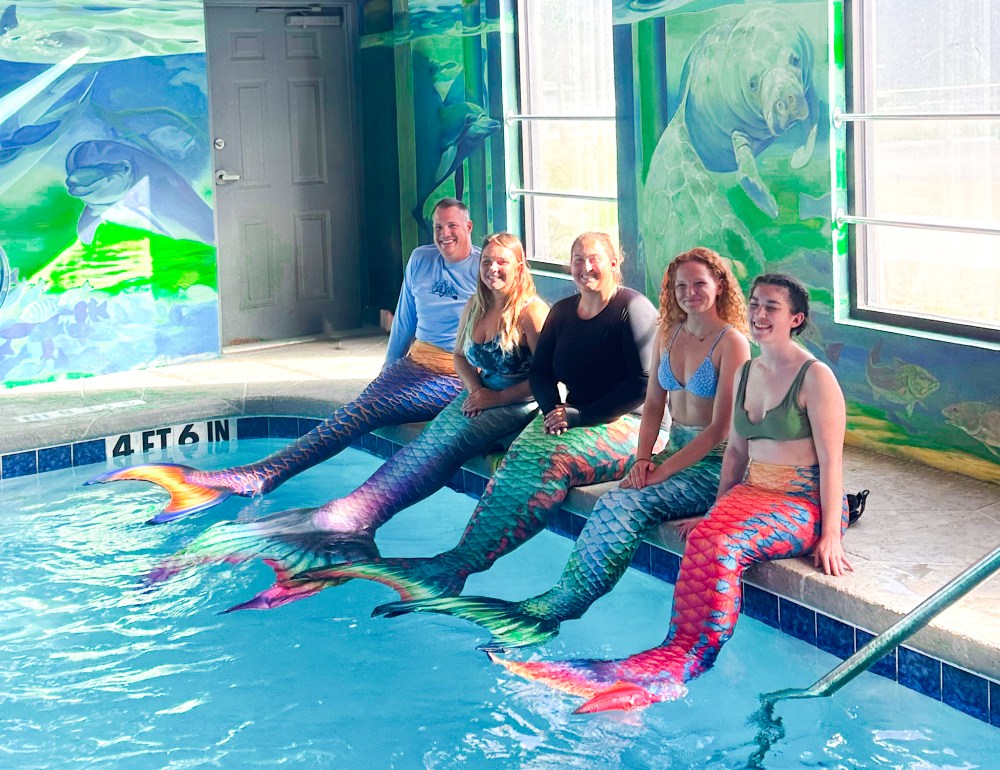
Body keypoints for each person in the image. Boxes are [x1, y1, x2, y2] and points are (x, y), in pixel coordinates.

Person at [492, 273, 853, 713]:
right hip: (753, 490)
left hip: (799, 500)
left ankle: (686, 663)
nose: (759, 314)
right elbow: (736, 453)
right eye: (756, 304)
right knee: (704, 537)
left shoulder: (815, 378)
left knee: (721, 547)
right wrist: (716, 509)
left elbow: (832, 463)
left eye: (771, 307)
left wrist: (830, 534)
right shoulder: (748, 373)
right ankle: (661, 655)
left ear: (795, 318)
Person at [145, 233, 549, 612]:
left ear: (519, 266)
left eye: (501, 262)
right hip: (473, 392)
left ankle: (349, 517)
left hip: (512, 403)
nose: (492, 268)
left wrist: (494, 398)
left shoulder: (531, 312)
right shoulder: (476, 303)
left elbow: (548, 379)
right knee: (423, 444)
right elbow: (460, 355)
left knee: (444, 445)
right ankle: (343, 513)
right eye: (488, 261)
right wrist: (474, 389)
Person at [376, 247, 751, 649]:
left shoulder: (725, 341)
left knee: (615, 500)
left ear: (719, 285)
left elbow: (715, 428)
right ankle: (483, 570)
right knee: (592, 489)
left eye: (699, 284)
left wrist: (657, 468)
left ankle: (556, 605)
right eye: (681, 286)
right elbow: (650, 403)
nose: (690, 292)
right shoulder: (668, 333)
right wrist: (642, 458)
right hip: (660, 450)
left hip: (700, 460)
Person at [299, 232, 658, 607]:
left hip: (629, 424)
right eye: (578, 259)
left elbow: (643, 385)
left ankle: (468, 564)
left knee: (548, 462)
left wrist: (574, 414)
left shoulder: (631, 308)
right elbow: (542, 373)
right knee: (521, 457)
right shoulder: (565, 311)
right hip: (571, 416)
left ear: (614, 262)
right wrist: (555, 407)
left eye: (594, 258)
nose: (585, 267)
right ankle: (453, 560)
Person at [88, 198, 481, 523]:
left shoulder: (483, 270)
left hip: (454, 375)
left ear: (468, 227)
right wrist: (385, 374)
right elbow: (404, 322)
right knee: (357, 409)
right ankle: (253, 475)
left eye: (452, 226)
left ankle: (261, 476)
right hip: (414, 364)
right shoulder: (420, 259)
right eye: (438, 227)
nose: (444, 234)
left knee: (363, 413)